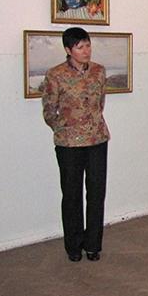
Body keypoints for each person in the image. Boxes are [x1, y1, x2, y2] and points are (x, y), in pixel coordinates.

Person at [41, 27, 110, 262]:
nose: (86, 51)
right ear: (68, 50)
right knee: (71, 195)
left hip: (97, 139)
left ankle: (93, 245)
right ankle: (73, 246)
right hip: (68, 144)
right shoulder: (55, 74)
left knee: (96, 193)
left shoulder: (99, 71)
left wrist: (90, 124)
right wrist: (64, 128)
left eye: (88, 45)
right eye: (80, 47)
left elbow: (100, 103)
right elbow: (49, 110)